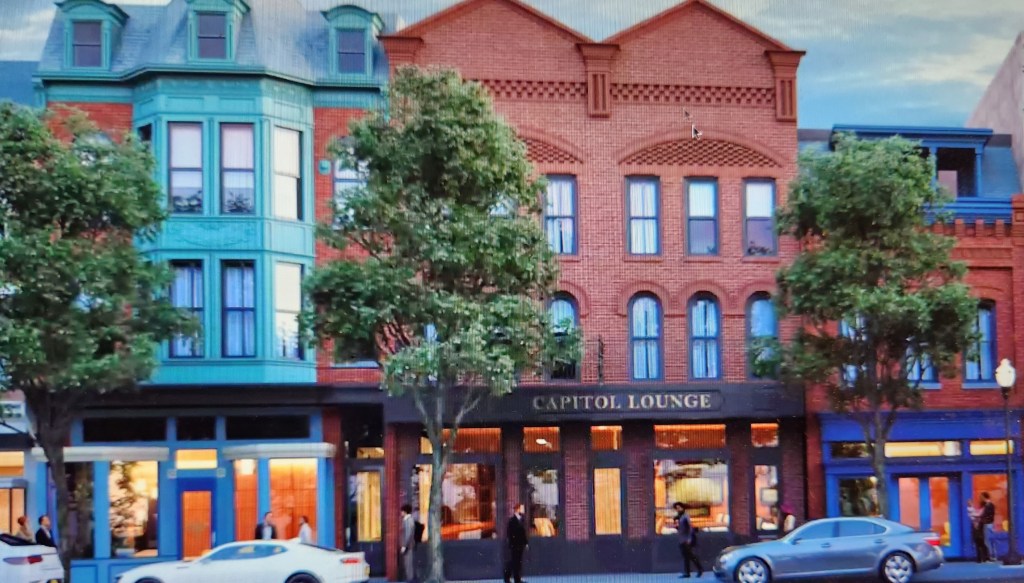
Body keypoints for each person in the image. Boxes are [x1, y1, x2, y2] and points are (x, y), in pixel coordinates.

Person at [674, 502, 703, 578]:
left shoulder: (685, 516)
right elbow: (678, 527)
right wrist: (676, 526)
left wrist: (689, 538)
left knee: (690, 556)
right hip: (681, 538)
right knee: (686, 556)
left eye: (679, 507)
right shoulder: (678, 517)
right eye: (677, 508)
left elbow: (690, 528)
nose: (678, 509)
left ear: (683, 508)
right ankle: (688, 572)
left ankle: (699, 569)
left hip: (686, 539)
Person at [503, 503, 529, 583]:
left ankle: (517, 579)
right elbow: (510, 533)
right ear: (517, 509)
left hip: (520, 545)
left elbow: (523, 533)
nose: (523, 510)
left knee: (518, 562)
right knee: (514, 562)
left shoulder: (521, 519)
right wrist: (512, 543)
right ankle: (507, 576)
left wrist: (525, 543)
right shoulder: (512, 521)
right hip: (514, 545)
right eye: (522, 508)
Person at [400, 504, 417, 583]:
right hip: (408, 545)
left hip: (408, 546)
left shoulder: (409, 520)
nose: (401, 513)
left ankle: (410, 580)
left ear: (405, 511)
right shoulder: (407, 520)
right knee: (407, 563)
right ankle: (410, 579)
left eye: (402, 511)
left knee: (408, 563)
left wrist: (404, 546)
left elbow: (408, 534)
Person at [980, 492, 997, 562]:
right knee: (990, 540)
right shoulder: (987, 505)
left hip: (988, 524)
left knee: (988, 540)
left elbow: (989, 515)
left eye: (981, 497)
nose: (980, 498)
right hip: (989, 524)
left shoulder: (989, 505)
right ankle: (992, 555)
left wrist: (984, 520)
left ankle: (991, 556)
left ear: (984, 497)